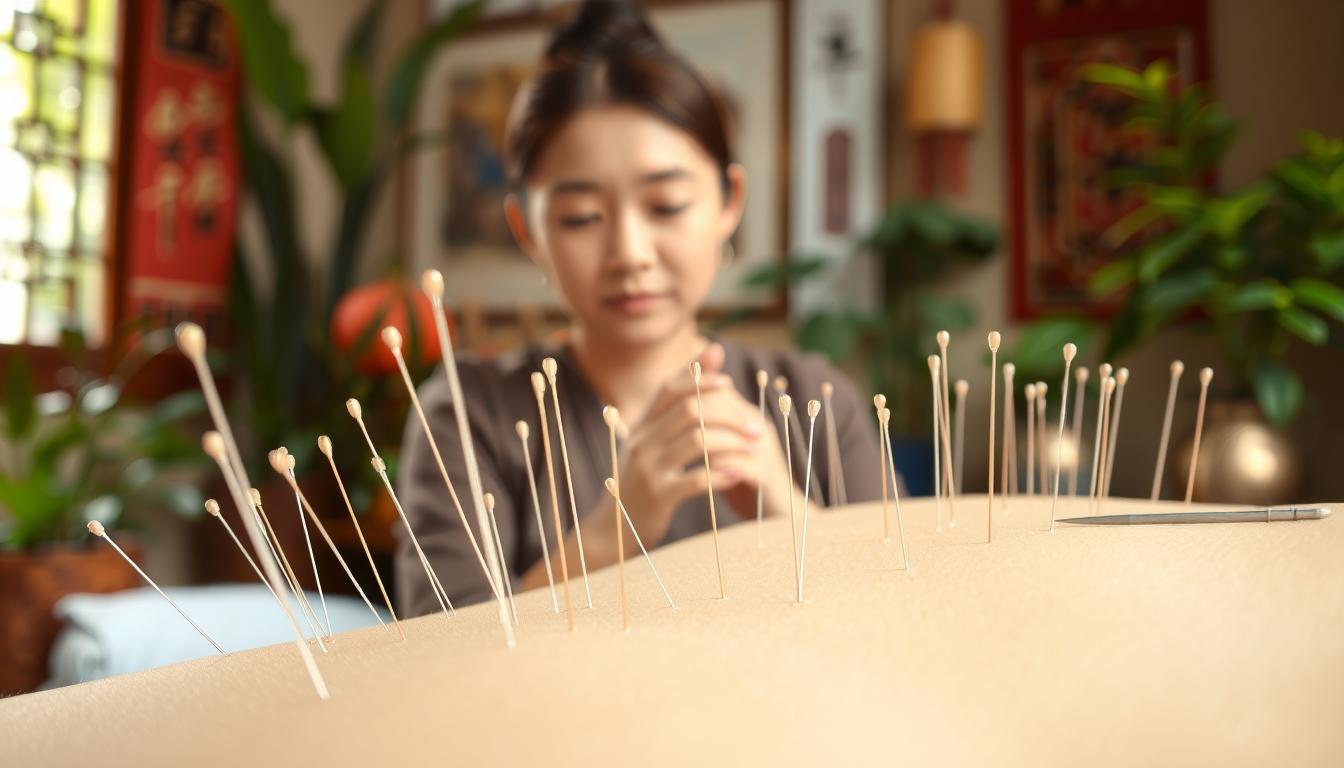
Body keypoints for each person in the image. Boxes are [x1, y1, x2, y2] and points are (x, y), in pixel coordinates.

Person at [396, 0, 883, 613]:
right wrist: (611, 532)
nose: (629, 252)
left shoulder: (814, 402)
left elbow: (899, 623)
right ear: (526, 231)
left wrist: (787, 510)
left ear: (729, 201)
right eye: (581, 218)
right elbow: (434, 663)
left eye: (667, 206)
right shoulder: (468, 415)